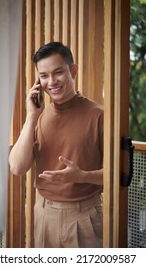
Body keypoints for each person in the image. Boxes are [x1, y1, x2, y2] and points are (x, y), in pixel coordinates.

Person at [9, 42, 103, 248]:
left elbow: (119, 173)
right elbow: (17, 167)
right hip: (44, 214)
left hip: (86, 215)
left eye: (58, 72)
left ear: (73, 70)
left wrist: (83, 176)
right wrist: (32, 116)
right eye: (43, 76)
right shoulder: (38, 115)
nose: (51, 82)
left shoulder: (98, 114)